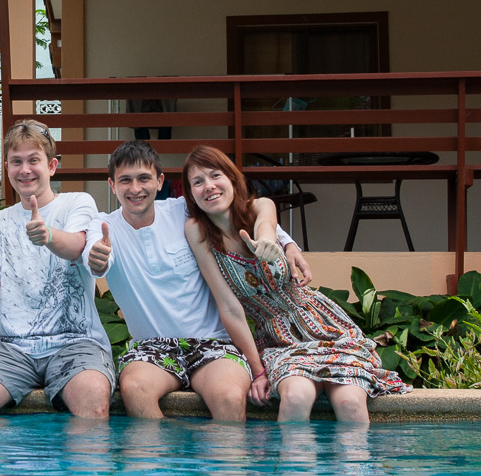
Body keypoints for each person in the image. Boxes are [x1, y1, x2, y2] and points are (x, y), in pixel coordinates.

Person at [83, 140, 313, 420]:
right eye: (125, 180)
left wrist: (287, 244)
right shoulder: (103, 225)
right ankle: (158, 463)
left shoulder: (183, 210)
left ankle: (224, 464)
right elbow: (94, 255)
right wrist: (97, 259)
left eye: (144, 178)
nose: (135, 189)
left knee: (229, 396)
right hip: (152, 349)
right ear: (112, 185)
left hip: (214, 344)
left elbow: (247, 211)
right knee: (135, 388)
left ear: (159, 181)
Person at [181, 144, 411, 422]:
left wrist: (269, 243)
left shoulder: (260, 206)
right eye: (198, 181)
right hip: (278, 340)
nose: (208, 186)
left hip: (324, 327)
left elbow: (265, 226)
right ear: (191, 193)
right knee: (296, 397)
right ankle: (295, 467)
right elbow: (229, 307)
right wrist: (258, 371)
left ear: (232, 179)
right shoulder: (197, 231)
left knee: (350, 401)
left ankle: (355, 466)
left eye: (215, 175)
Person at [0, 119, 114, 418]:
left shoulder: (76, 203)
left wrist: (49, 236)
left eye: (33, 160)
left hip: (76, 341)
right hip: (14, 347)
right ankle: (12, 464)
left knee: (92, 396)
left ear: (52, 166)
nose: (25, 169)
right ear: (7, 167)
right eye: (16, 161)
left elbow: (79, 246)